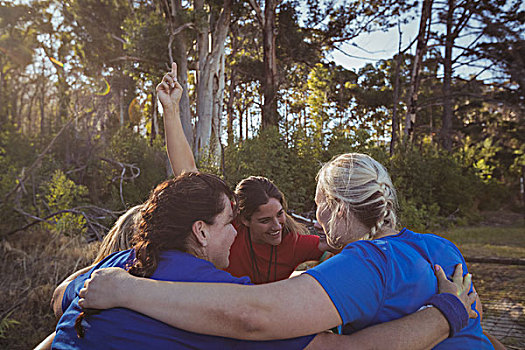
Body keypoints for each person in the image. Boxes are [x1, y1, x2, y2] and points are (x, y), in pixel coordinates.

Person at [78, 153, 494, 349]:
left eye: (319, 203)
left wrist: (445, 315)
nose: (312, 215)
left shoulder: (365, 262)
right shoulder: (437, 247)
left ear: (340, 208)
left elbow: (254, 315)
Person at [161, 63, 331, 283]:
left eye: (279, 214)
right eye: (265, 220)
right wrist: (171, 109)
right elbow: (188, 176)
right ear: (244, 219)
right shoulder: (231, 230)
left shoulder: (292, 242)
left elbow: (338, 246)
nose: (277, 226)